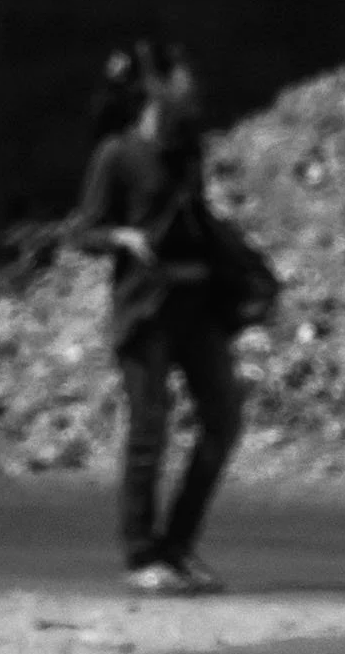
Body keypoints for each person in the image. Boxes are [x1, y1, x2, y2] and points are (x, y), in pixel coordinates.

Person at [72, 40, 253, 595]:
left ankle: (178, 545)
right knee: (148, 431)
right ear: (156, 89)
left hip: (197, 309)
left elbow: (196, 219)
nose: (193, 94)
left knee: (223, 419)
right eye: (184, 82)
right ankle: (141, 554)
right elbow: (83, 232)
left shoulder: (187, 155)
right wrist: (123, 236)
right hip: (145, 312)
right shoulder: (117, 155)